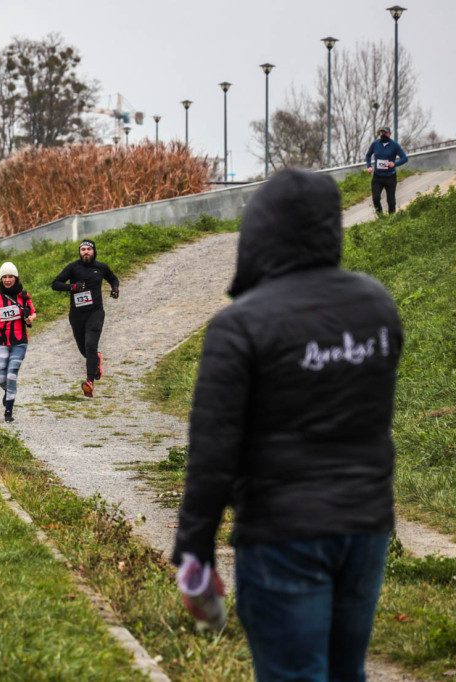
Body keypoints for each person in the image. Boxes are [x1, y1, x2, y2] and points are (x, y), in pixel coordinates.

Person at [172, 168, 403, 681]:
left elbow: (213, 452)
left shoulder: (240, 325)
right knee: (347, 673)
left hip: (281, 533)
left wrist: (194, 552)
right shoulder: (376, 305)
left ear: (260, 231)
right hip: (365, 527)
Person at [51, 239, 119, 397]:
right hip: (76, 315)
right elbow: (55, 284)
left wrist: (115, 289)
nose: (86, 252)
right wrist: (72, 287)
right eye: (83, 249)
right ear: (79, 252)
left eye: (89, 249)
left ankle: (89, 382)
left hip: (95, 313)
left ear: (94, 251)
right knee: (84, 349)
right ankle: (96, 361)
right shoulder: (73, 268)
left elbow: (113, 279)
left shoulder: (101, 267)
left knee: (90, 345)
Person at [0, 262, 36, 422]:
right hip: (0, 341)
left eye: (10, 276)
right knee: (2, 379)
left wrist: (30, 318)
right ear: (1, 279)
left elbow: (33, 314)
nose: (7, 280)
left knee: (12, 375)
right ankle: (8, 393)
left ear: (16, 278)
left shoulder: (24, 295)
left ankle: (8, 411)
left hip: (19, 342)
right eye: (4, 277)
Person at [365, 126, 409, 215]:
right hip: (377, 177)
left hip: (390, 177)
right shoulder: (375, 144)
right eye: (381, 133)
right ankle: (381, 217)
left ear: (389, 134)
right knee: (376, 198)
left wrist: (394, 164)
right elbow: (368, 155)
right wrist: (369, 166)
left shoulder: (394, 145)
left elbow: (404, 158)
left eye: (385, 133)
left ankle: (391, 220)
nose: (383, 134)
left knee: (391, 201)